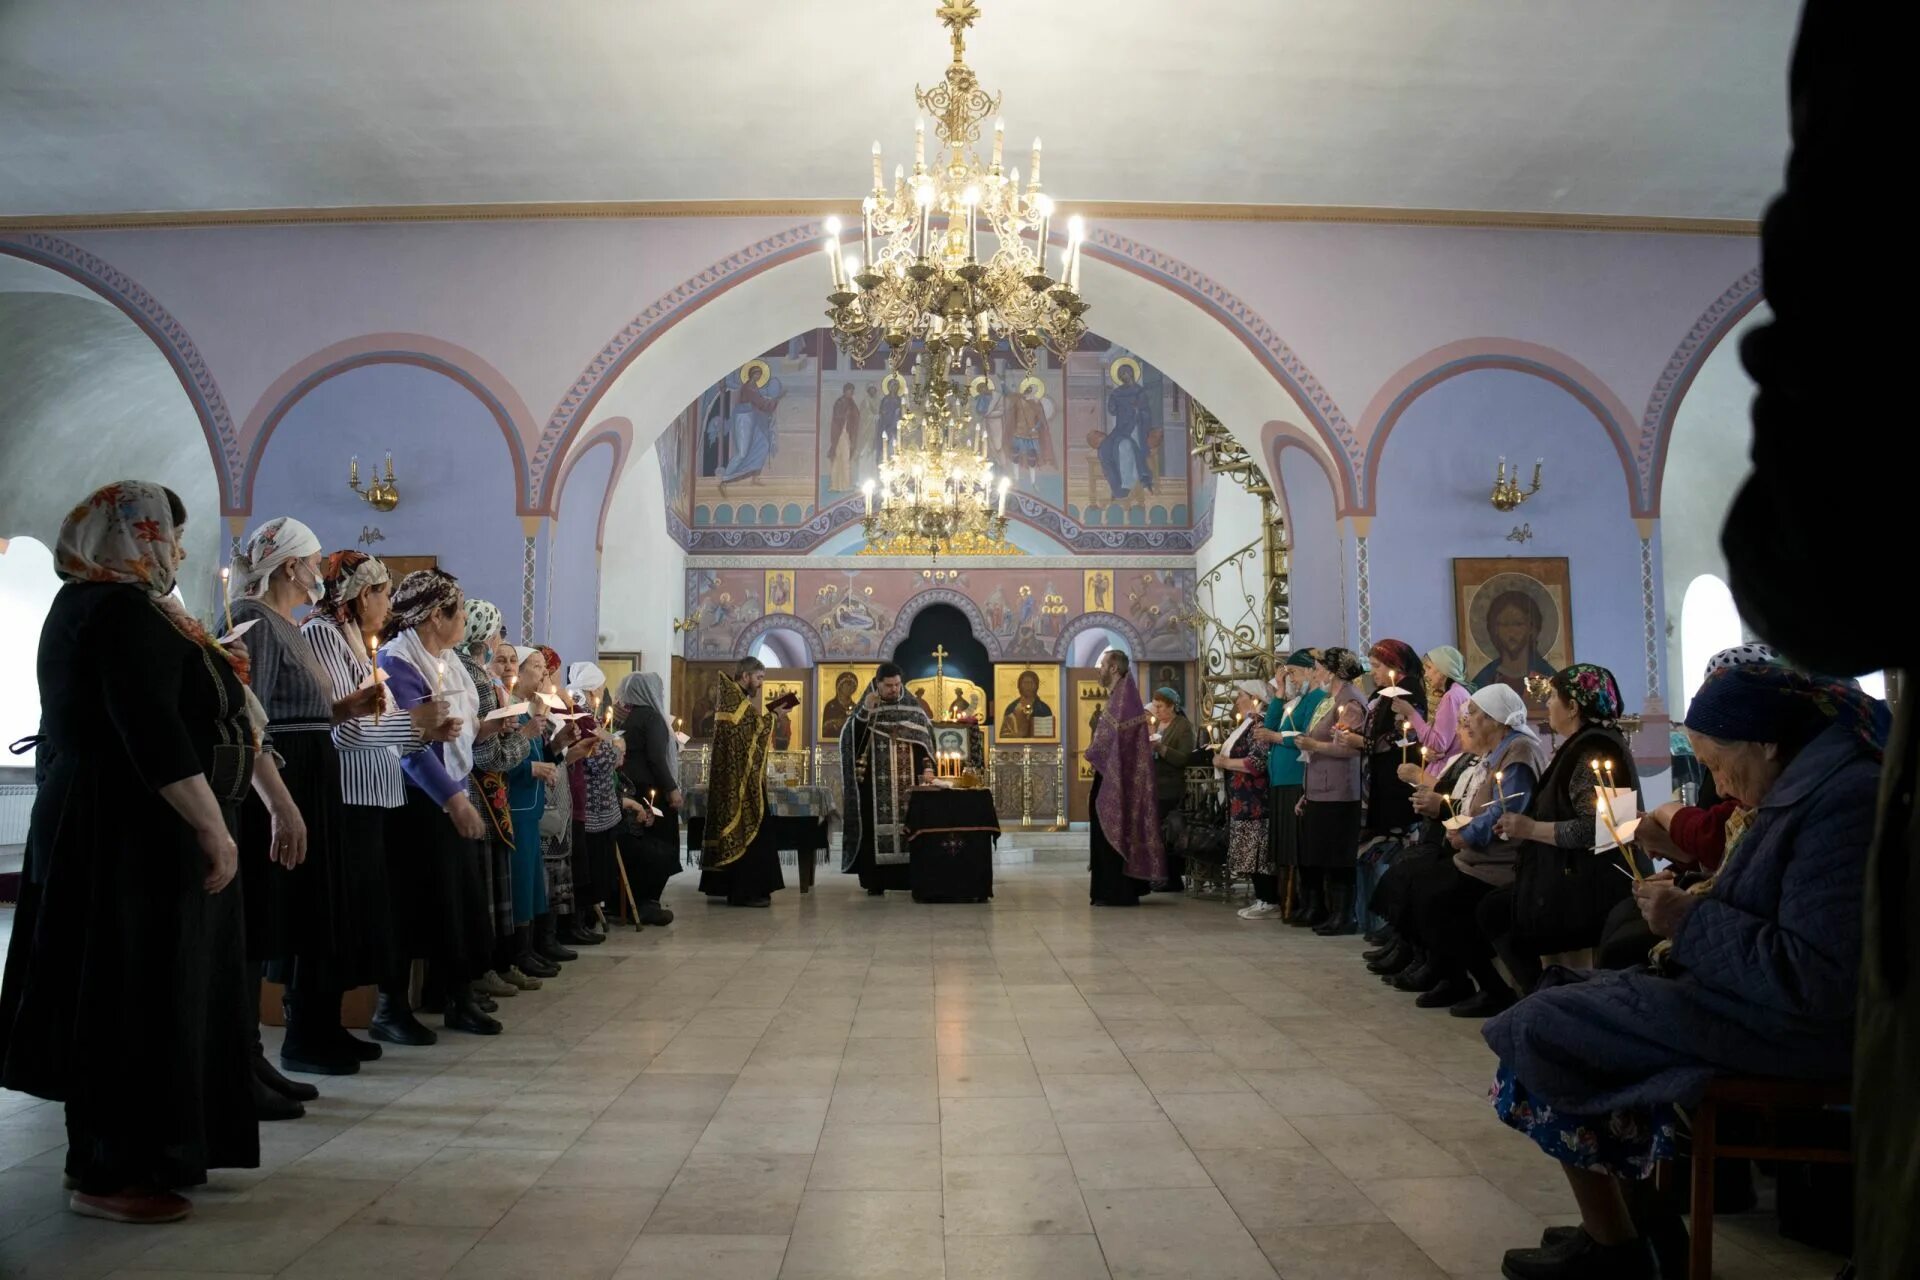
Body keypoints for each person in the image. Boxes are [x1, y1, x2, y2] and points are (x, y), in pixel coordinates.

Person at [1480, 664, 1884, 1280]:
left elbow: (1815, 976)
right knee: (1554, 995)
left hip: (1783, 1028)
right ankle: (1637, 1225)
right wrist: (1697, 890)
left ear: (1765, 743)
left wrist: (1689, 921)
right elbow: (1763, 897)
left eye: (1718, 764)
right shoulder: (1797, 787)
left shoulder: (1840, 805)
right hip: (1741, 1000)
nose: (1719, 785)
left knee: (1543, 1027)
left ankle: (1617, 1246)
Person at [0, 482, 264, 1223]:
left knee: (135, 989)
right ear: (130, 536)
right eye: (167, 534)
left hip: (110, 820)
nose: (178, 550)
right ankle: (108, 1171)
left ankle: (132, 1154)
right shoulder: (119, 614)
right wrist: (213, 828)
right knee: (125, 993)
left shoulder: (105, 605)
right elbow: (150, 732)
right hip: (121, 829)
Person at [229, 517, 388, 1079]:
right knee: (290, 909)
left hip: (314, 774)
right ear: (290, 565)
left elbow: (304, 709)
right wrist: (279, 799)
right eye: (315, 559)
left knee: (315, 909)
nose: (322, 569)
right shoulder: (254, 621)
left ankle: (319, 1028)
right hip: (287, 779)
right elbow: (254, 715)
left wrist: (346, 707)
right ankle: (291, 1039)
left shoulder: (288, 623)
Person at [304, 550, 454, 1048]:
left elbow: (377, 726)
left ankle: (330, 1023)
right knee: (342, 916)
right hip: (349, 794)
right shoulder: (323, 634)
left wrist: (424, 734)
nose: (390, 605)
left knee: (366, 916)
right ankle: (316, 1024)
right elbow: (345, 730)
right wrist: (414, 724)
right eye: (385, 593)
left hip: (376, 792)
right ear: (363, 594)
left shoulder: (353, 638)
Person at [379, 575, 499, 1035]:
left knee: (458, 902)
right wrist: (453, 801)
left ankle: (457, 996)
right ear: (435, 617)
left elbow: (456, 729)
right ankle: (392, 1009)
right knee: (412, 904)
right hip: (416, 802)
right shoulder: (396, 662)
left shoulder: (447, 659)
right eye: (460, 612)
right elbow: (411, 745)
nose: (465, 621)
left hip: (451, 789)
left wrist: (490, 730)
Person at [1483, 664, 1640, 996]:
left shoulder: (1596, 751)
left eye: (1554, 696)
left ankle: (1546, 996)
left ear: (1573, 707)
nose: (1548, 703)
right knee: (1497, 909)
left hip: (1591, 883)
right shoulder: (1584, 744)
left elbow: (1607, 830)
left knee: (1499, 913)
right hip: (1572, 873)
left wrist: (1530, 828)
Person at [1395, 685, 1549, 1017]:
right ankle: (1449, 975)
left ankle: (1492, 989)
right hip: (1478, 856)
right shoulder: (1500, 750)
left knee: (1437, 900)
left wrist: (1467, 833)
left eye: (1477, 714)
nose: (1470, 721)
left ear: (1496, 720)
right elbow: (1479, 802)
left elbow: (1505, 808)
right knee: (1420, 887)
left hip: (1503, 862)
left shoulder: (1519, 753)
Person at [840, 662, 938, 896]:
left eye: (897, 685)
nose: (894, 690)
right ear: (878, 684)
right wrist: (865, 712)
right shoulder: (867, 706)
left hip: (907, 784)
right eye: (888, 686)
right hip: (875, 783)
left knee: (910, 826)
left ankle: (908, 878)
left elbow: (926, 743)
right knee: (874, 828)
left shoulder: (912, 708)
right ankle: (875, 881)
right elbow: (850, 739)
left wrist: (927, 768)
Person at [1292, 648, 1369, 933]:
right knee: (1318, 852)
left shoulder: (1351, 702)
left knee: (1338, 855)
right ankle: (1319, 908)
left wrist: (1314, 746)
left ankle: (1343, 915)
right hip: (1319, 787)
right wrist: (1306, 790)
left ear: (1334, 671)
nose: (1316, 672)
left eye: (1319, 667)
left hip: (1340, 789)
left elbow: (1350, 748)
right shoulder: (1329, 700)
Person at [699, 657, 786, 907]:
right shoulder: (735, 701)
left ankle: (724, 886)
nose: (761, 683)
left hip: (734, 777)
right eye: (758, 678)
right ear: (745, 676)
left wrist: (769, 716)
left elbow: (749, 731)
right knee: (751, 829)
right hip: (738, 783)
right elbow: (752, 732)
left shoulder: (735, 700)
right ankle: (745, 891)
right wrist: (773, 716)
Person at [1246, 649, 1324, 920]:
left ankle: (1305, 903)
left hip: (1296, 777)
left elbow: (1306, 734)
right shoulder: (1296, 699)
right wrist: (1279, 692)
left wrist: (1279, 738)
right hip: (1280, 779)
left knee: (1297, 845)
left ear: (1312, 671)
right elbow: (1269, 727)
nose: (1289, 678)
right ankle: (1290, 903)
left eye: (1293, 673)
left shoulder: (1317, 698)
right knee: (1284, 847)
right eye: (1286, 674)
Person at [1085, 650, 1165, 906]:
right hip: (1112, 774)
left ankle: (1116, 891)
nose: (1098, 670)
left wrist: (1094, 751)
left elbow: (1111, 742)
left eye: (1102, 665)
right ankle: (1108, 889)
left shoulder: (1124, 699)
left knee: (1112, 827)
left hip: (1117, 777)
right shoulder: (1120, 697)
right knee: (1102, 827)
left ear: (1114, 668)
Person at [504, 649, 560, 978]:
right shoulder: (514, 711)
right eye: (536, 667)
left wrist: (559, 747)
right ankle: (517, 953)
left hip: (530, 807)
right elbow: (505, 759)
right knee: (520, 886)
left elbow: (540, 754)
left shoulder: (530, 712)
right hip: (515, 805)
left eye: (543, 667)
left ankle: (529, 949)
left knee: (532, 885)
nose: (542, 673)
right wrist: (534, 767)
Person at [611, 671, 680, 925]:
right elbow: (657, 759)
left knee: (637, 847)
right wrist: (672, 788)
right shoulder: (651, 717)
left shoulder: (626, 718)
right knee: (660, 846)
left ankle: (631, 901)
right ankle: (647, 903)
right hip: (652, 792)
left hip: (632, 790)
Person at [1213, 681, 1271, 908]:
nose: (1236, 701)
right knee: (1247, 851)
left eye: (1240, 695)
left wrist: (1225, 762)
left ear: (1255, 698)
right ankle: (1261, 898)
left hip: (1254, 800)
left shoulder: (1259, 723)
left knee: (1257, 852)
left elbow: (1257, 762)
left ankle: (1268, 899)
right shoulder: (1247, 724)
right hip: (1242, 798)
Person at [1470, 590, 1558, 706]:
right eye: (1504, 625)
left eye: (1518, 624)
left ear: (1531, 628)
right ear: (1495, 629)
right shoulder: (1486, 678)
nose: (1511, 632)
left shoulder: (1545, 673)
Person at [1396, 645, 1472, 776]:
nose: (1426, 674)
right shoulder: (1460, 692)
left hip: (1447, 769)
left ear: (1443, 670)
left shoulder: (1451, 696)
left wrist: (1411, 713)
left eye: (1429, 668)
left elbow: (1438, 744)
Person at [1149, 686, 1196, 892]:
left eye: (1160, 707)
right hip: (1154, 786)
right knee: (1155, 834)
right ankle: (1158, 875)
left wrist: (1162, 748)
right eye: (1155, 707)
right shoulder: (1156, 725)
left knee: (1169, 834)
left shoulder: (1182, 726)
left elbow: (1185, 757)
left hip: (1171, 788)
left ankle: (1173, 878)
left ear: (1172, 706)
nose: (1156, 711)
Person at [999, 669, 1055, 738]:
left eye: (1031, 683)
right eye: (1025, 683)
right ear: (1019, 686)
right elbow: (1004, 735)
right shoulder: (1011, 708)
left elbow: (1048, 737)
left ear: (1036, 686)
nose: (1028, 686)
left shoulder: (1044, 709)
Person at [828, 382, 859, 493]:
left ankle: (843, 485)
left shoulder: (852, 403)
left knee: (845, 459)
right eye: (850, 391)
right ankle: (835, 485)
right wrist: (845, 414)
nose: (851, 393)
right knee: (838, 458)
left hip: (846, 434)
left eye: (852, 391)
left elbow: (856, 416)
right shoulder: (840, 402)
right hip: (839, 433)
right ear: (845, 391)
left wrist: (851, 415)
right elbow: (837, 416)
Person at [821, 670, 860, 740]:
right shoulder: (830, 706)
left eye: (853, 685)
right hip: (832, 743)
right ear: (840, 686)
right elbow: (823, 730)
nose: (851, 687)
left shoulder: (855, 707)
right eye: (848, 684)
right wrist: (835, 723)